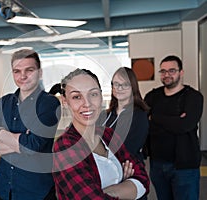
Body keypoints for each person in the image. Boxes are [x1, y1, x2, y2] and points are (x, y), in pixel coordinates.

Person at [53, 68, 150, 199]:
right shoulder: (65, 147)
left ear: (100, 95)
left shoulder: (107, 134)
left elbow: (143, 179)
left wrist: (103, 192)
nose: (87, 104)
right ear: (65, 102)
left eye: (93, 94)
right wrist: (126, 185)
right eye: (77, 97)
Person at [0, 49, 61, 200]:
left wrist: (1, 134)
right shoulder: (4, 103)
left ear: (40, 72)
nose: (22, 76)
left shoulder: (49, 104)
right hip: (6, 189)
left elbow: (32, 146)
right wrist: (20, 141)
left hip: (36, 191)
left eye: (29, 70)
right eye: (17, 71)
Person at [144, 55, 203, 200]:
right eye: (163, 71)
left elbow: (185, 125)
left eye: (172, 71)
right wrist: (174, 121)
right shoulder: (152, 97)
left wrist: (155, 118)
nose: (166, 75)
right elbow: (145, 125)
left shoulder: (193, 97)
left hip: (185, 166)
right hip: (157, 164)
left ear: (181, 72)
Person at [97, 67, 149, 162]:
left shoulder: (139, 116)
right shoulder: (104, 115)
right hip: (104, 168)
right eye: (116, 84)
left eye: (125, 84)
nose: (119, 88)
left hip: (129, 169)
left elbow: (129, 149)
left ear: (132, 86)